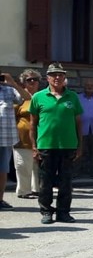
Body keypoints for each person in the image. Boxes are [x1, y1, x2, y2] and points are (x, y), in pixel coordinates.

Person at [29, 63, 83, 224]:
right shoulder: (38, 97)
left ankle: (63, 213)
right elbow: (32, 124)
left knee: (66, 182)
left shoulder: (72, 96)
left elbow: (78, 123)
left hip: (68, 146)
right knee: (45, 182)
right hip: (46, 146)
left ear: (64, 77)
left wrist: (80, 145)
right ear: (47, 78)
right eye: (53, 75)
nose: (57, 77)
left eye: (60, 74)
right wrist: (34, 146)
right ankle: (46, 211)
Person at [0, 70, 31, 210]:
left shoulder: (9, 90)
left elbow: (27, 97)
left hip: (5, 138)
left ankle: (0, 200)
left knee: (3, 170)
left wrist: (13, 83)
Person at [13, 69, 42, 199]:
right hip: (22, 138)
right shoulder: (18, 97)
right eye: (29, 80)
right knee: (23, 165)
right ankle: (24, 191)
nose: (32, 82)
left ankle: (37, 189)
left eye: (35, 79)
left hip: (41, 137)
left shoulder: (42, 96)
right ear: (23, 82)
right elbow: (11, 115)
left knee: (37, 165)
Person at [78, 78, 93, 179]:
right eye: (87, 85)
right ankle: (76, 172)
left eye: (92, 86)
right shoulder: (78, 98)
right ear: (84, 86)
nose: (89, 87)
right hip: (81, 129)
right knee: (79, 151)